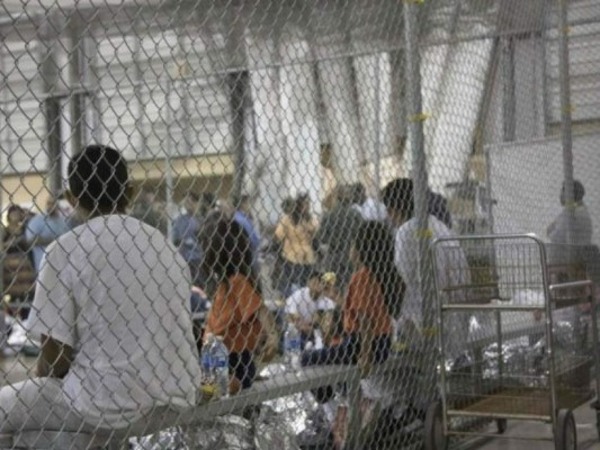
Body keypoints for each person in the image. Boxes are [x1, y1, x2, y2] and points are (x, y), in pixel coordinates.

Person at [0, 145, 201, 435]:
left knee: (10, 403)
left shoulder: (64, 250)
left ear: (71, 197)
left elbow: (54, 361)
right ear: (129, 193)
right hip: (176, 397)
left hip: (103, 406)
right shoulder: (164, 247)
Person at [301, 221, 404, 384]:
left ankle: (326, 395)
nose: (350, 249)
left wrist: (365, 355)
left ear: (360, 249)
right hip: (382, 343)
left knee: (306, 358)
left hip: (361, 345)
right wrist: (336, 297)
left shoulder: (360, 277)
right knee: (328, 353)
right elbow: (360, 312)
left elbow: (365, 320)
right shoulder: (378, 272)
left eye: (352, 244)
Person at [382, 178, 469, 356]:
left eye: (388, 210)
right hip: (453, 322)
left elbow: (401, 280)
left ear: (395, 209)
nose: (388, 217)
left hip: (423, 325)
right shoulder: (440, 226)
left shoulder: (405, 231)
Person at [204, 219, 277, 394]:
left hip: (227, 356)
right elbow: (257, 311)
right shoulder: (231, 283)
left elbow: (258, 310)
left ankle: (231, 383)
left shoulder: (234, 282)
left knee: (231, 392)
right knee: (234, 391)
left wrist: (272, 336)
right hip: (227, 356)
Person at [314, 186, 364, 288]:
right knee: (352, 286)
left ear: (336, 198)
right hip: (351, 258)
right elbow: (363, 235)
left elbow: (322, 238)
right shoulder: (356, 214)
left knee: (329, 287)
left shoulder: (329, 215)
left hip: (333, 258)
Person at [274, 194, 319, 297]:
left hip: (304, 257)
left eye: (309, 203)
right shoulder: (289, 219)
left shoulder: (308, 219)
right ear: (299, 205)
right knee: (297, 284)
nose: (308, 206)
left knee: (303, 284)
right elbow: (278, 236)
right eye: (306, 203)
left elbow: (278, 235)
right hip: (293, 257)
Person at [285, 269, 336, 347]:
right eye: (314, 282)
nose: (317, 284)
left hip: (316, 329)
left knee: (322, 326)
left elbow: (328, 322)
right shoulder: (299, 295)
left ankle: (319, 347)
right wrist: (302, 325)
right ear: (308, 283)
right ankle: (293, 351)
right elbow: (290, 315)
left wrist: (320, 322)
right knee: (291, 328)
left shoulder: (326, 300)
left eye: (320, 282)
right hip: (300, 328)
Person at [25, 195, 70, 273]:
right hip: (43, 263)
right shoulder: (37, 220)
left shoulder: (63, 221)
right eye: (49, 203)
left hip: (62, 263)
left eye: (54, 203)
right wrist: (55, 240)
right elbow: (31, 241)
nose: (51, 206)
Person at [172, 192, 206, 288]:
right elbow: (175, 239)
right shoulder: (179, 219)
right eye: (187, 201)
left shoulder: (200, 219)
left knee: (199, 286)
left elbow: (203, 236)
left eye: (192, 201)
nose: (189, 203)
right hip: (185, 258)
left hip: (197, 257)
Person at [547, 179, 592, 245]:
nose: (560, 195)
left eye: (562, 191)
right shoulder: (580, 210)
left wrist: (552, 230)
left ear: (569, 194)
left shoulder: (573, 213)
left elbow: (556, 237)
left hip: (571, 250)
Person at [233, 195, 261, 268]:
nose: (250, 206)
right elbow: (253, 240)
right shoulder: (243, 220)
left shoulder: (238, 217)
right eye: (248, 203)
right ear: (242, 204)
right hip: (248, 257)